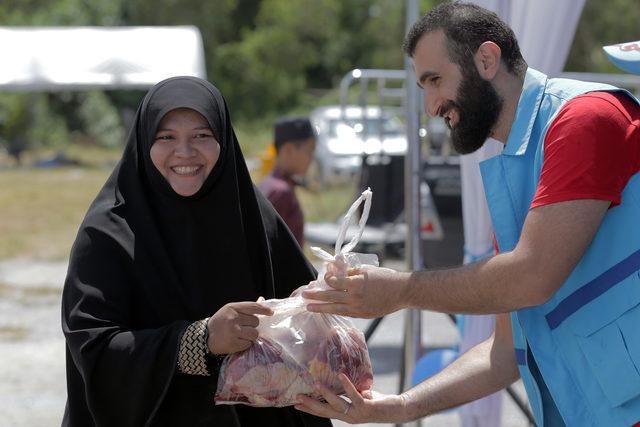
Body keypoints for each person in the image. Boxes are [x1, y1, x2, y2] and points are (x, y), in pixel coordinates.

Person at [295, 2, 640, 426]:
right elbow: (503, 353)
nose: (431, 106)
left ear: (487, 59)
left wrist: (403, 290)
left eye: (435, 81)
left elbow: (531, 277)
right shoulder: (520, 160)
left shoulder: (584, 119)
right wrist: (400, 406)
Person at [61, 76, 331, 427]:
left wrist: (331, 293)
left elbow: (306, 314)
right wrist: (199, 340)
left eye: (202, 136)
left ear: (223, 139)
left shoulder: (251, 216)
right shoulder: (108, 234)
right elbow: (94, 350)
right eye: (166, 137)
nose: (185, 152)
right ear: (144, 143)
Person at [259, 116, 316, 247]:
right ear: (289, 149)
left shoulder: (270, 183)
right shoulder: (281, 192)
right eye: (310, 150)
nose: (312, 157)